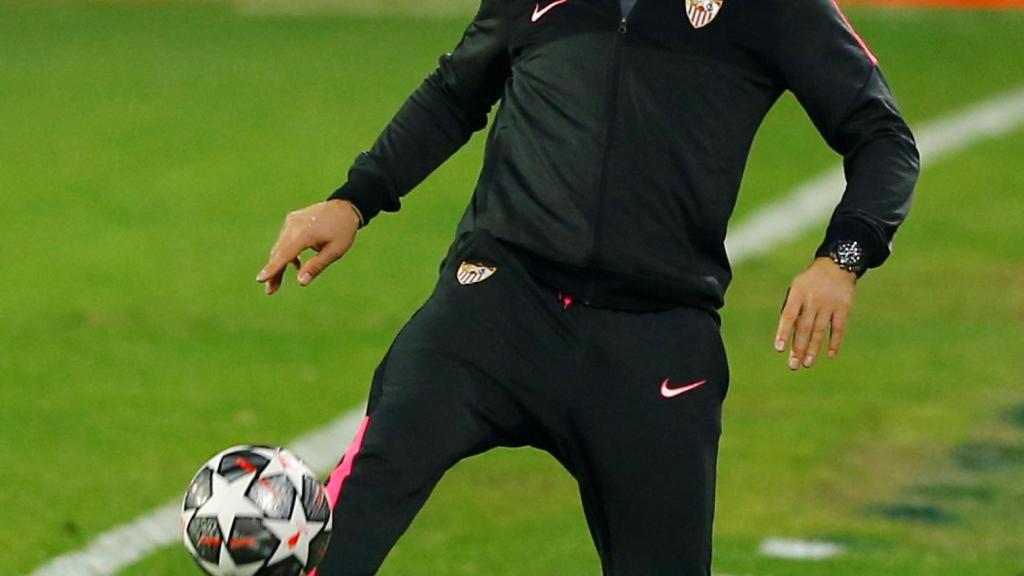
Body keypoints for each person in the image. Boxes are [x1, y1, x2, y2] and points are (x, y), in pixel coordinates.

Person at [257, 0, 919, 574]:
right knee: (341, 527)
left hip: (654, 346)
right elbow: (458, 90)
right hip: (493, 309)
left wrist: (843, 256)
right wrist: (354, 200)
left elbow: (884, 139)